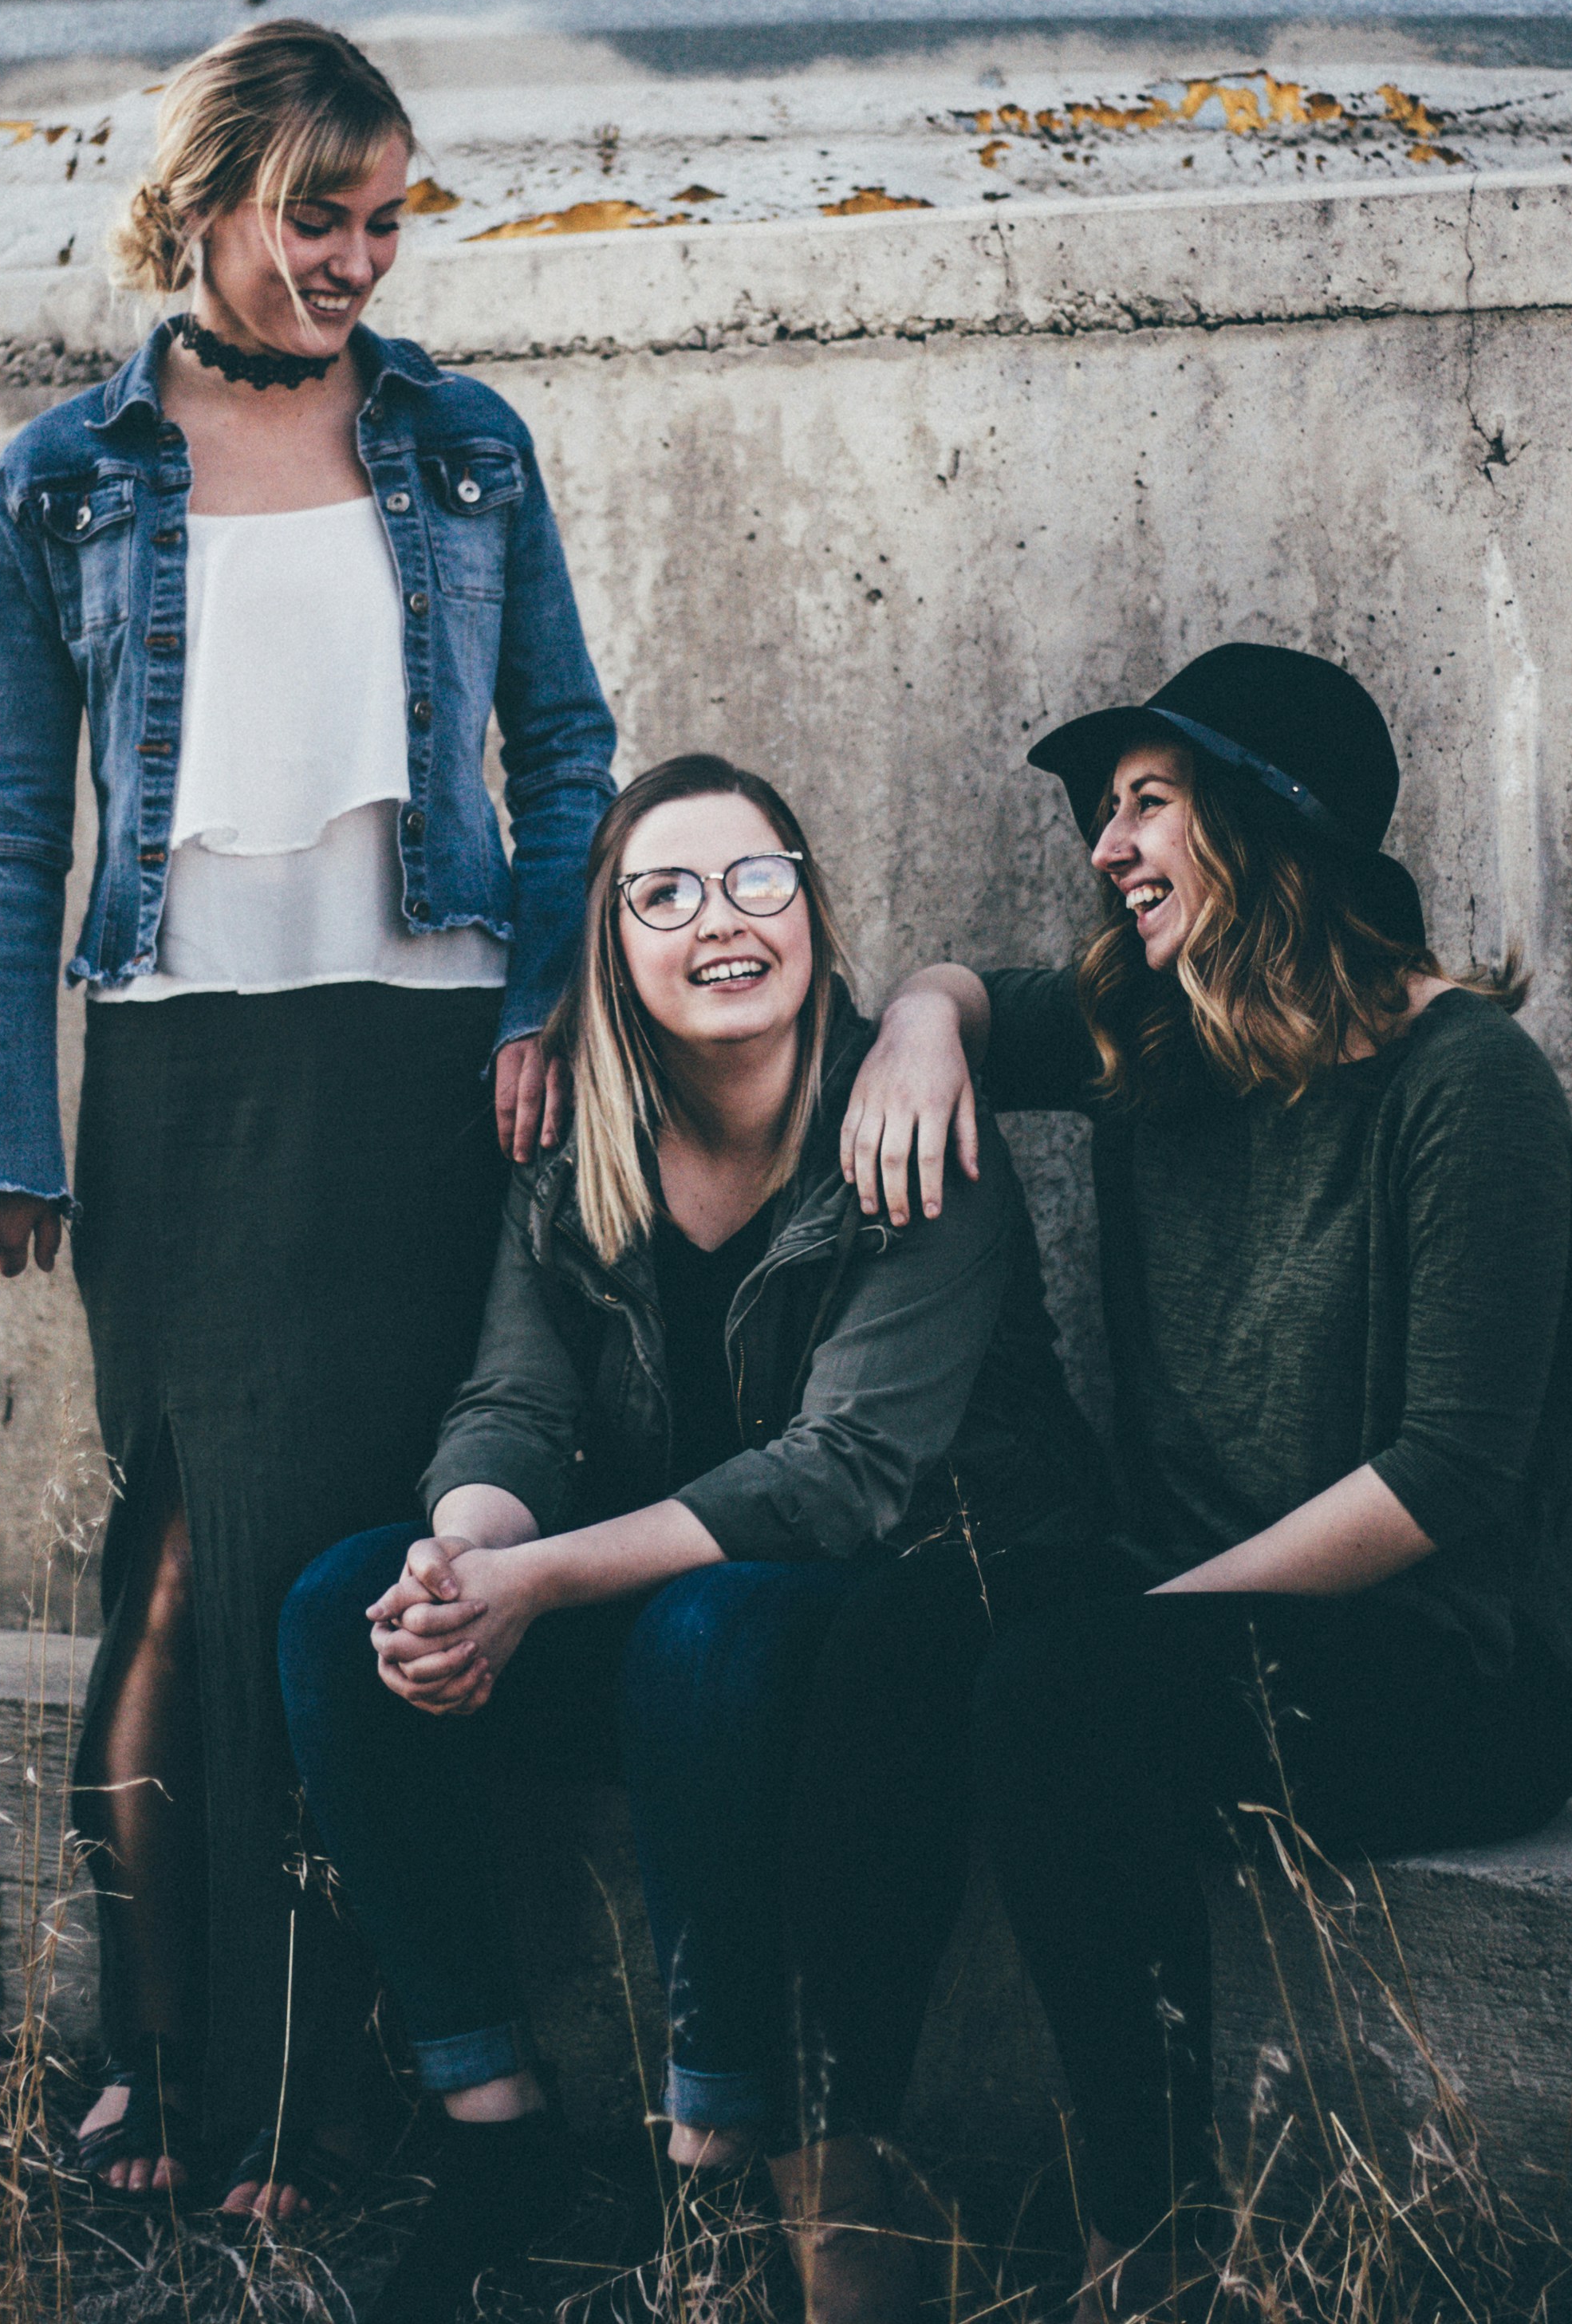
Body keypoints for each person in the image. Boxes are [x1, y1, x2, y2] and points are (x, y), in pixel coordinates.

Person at [0, 19, 619, 2214]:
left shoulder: (469, 447)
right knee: (183, 1565)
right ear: (208, 200)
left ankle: (346, 2082)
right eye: (319, 215)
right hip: (186, 1090)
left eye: (390, 217)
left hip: (427, 1084)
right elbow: (14, 832)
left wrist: (538, 996)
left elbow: (572, 753)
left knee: (368, 1572)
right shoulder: (66, 476)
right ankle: (158, 2063)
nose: (359, 260)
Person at [818, 642, 1572, 2317]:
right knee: (894, 1634)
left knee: (1058, 1688)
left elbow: (1448, 1474)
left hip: (1446, 1664)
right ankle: (849, 2180)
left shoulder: (1468, 1085)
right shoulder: (1147, 1034)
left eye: (1148, 804)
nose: (1106, 850)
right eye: (1105, 815)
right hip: (1188, 1625)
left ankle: (1148, 2251)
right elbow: (956, 984)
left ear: (1267, 827)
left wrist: (1146, 1619)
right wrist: (918, 1033)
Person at [276, 756, 1102, 2324]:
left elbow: (839, 1479)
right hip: (676, 1636)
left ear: (810, 904)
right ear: (614, 947)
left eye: (756, 879)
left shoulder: (912, 1124)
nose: (720, 921)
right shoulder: (577, 1152)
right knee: (337, 1606)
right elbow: (510, 1403)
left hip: (885, 1620)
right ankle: (496, 2137)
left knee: (707, 1626)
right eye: (665, 894)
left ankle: (722, 2134)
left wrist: (538, 1581)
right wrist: (461, 1565)